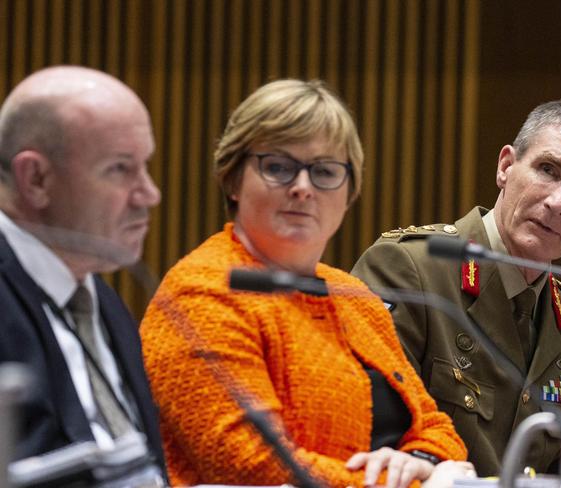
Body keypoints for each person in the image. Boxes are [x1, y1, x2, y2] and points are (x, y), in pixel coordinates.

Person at [140, 79, 475, 487]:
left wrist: (422, 458)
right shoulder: (201, 293)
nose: (303, 188)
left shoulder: (354, 298)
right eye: (278, 167)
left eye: (324, 171)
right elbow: (251, 466)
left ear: (349, 191)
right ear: (232, 179)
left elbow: (437, 427)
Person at [352, 99, 561, 476]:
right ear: (506, 166)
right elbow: (364, 439)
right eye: (548, 170)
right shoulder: (410, 270)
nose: (557, 201)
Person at [0, 66, 166, 476]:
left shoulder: (100, 298)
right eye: (120, 169)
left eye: (145, 166)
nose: (150, 194)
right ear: (36, 179)